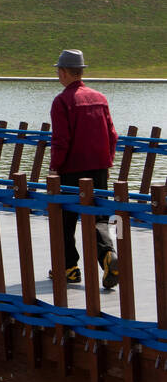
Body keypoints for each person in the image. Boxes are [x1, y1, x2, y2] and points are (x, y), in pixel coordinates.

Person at [49, 49, 119, 288]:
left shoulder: (62, 101)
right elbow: (112, 135)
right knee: (98, 218)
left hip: (71, 169)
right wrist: (106, 162)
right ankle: (108, 255)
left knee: (64, 218)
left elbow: (61, 140)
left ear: (63, 72)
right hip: (98, 168)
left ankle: (69, 268)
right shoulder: (100, 97)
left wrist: (54, 168)